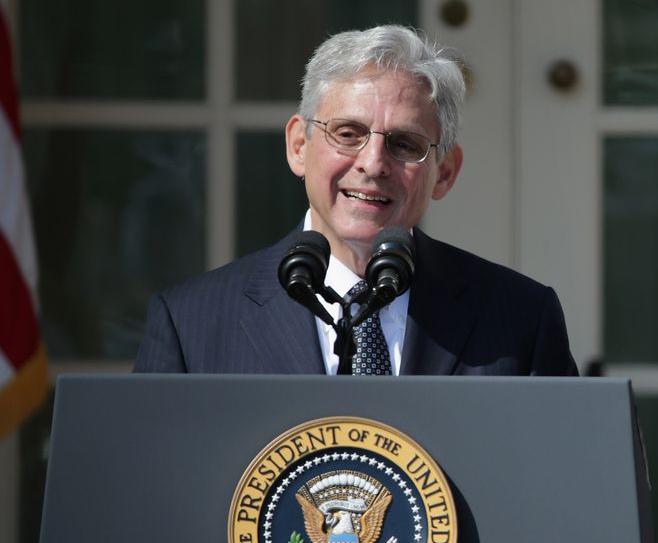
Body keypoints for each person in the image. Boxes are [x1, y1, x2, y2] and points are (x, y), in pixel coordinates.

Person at [135, 25, 576, 377]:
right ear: (298, 146)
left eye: (405, 144)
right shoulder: (190, 324)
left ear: (444, 172)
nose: (373, 163)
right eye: (348, 134)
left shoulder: (520, 320)